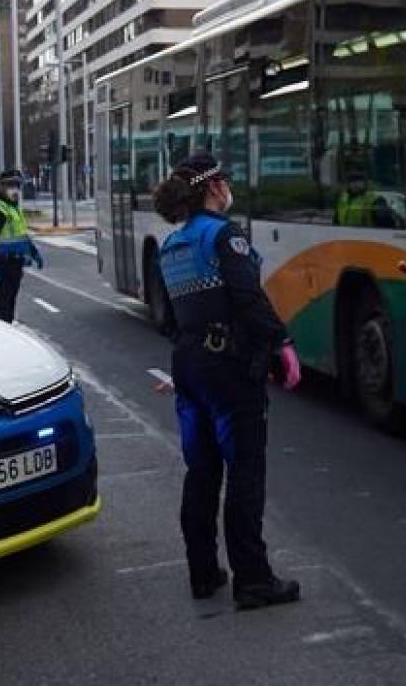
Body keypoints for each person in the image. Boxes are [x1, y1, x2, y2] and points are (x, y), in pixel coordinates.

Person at [154, 152, 302, 611]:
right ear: (214, 187)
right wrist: (283, 344)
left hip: (190, 366)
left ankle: (204, 572)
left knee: (201, 473)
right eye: (226, 181)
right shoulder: (224, 235)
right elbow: (247, 298)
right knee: (244, 472)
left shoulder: (171, 245)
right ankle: (253, 580)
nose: (229, 188)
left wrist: (186, 369)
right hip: (229, 371)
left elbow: (179, 317)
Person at [0, 169, 43, 322]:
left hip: (15, 265)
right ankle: (1, 338)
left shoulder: (13, 209)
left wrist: (33, 251)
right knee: (1, 310)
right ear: (0, 187)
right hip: (2, 266)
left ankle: (7, 331)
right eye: (10, 185)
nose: (14, 189)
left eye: (17, 185)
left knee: (10, 306)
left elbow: (20, 234)